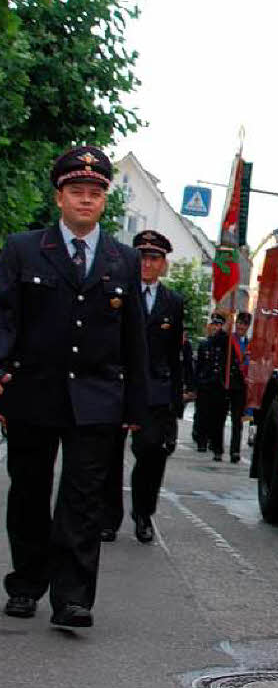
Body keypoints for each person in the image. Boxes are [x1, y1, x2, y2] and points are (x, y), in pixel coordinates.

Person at [0, 146, 149, 629]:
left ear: (105, 200)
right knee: (28, 491)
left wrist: (136, 404)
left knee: (83, 499)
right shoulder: (23, 249)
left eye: (95, 192)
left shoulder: (121, 259)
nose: (86, 200)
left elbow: (134, 339)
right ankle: (26, 583)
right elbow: (6, 319)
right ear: (60, 196)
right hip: (33, 389)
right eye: (76, 191)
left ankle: (73, 597)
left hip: (97, 396)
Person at [102, 230, 183, 544]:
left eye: (154, 258)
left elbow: (174, 354)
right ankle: (108, 518)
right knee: (108, 454)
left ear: (163, 264)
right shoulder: (116, 293)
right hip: (116, 384)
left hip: (154, 390)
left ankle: (143, 513)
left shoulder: (172, 302)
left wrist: (176, 402)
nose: (147, 264)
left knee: (151, 453)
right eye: (142, 257)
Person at [194, 312, 229, 460]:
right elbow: (199, 366)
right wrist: (197, 384)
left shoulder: (226, 343)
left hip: (219, 386)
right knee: (202, 415)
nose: (216, 327)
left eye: (219, 325)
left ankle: (217, 448)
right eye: (214, 324)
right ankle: (201, 441)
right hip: (205, 385)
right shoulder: (204, 344)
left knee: (218, 419)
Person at [228, 311, 251, 463]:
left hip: (240, 386)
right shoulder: (229, 341)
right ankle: (217, 447)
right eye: (239, 323)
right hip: (227, 383)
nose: (241, 327)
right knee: (219, 417)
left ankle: (234, 451)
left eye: (244, 324)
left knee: (237, 421)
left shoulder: (250, 344)